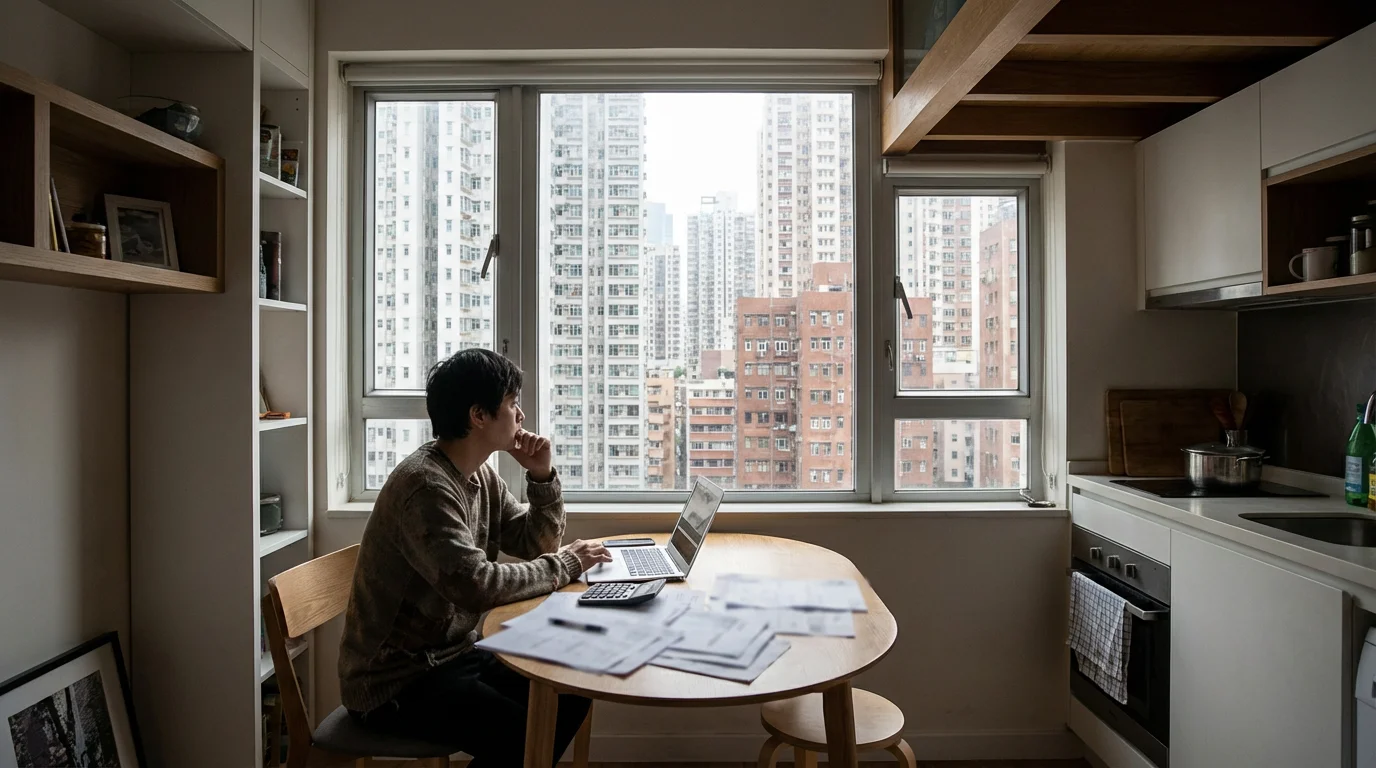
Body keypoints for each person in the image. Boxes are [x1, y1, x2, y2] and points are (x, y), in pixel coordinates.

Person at [339, 348, 612, 765]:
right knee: (524, 735)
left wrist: (541, 475)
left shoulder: (479, 474)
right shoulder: (426, 488)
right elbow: (476, 585)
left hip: (453, 657)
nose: (520, 415)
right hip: (395, 682)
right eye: (512, 403)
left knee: (570, 692)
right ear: (478, 415)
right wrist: (568, 563)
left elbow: (535, 544)